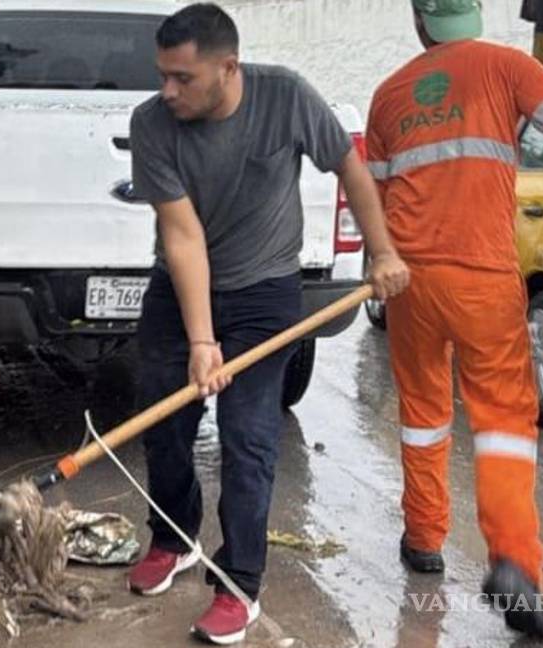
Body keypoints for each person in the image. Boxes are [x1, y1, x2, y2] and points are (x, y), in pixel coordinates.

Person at [127, 4, 410, 644]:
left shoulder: (285, 97)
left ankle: (239, 584)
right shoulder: (151, 123)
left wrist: (383, 251)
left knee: (249, 436)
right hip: (180, 290)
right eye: (162, 75)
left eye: (182, 77)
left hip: (265, 294)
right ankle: (171, 540)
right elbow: (182, 235)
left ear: (228, 68)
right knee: (165, 422)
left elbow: (351, 169)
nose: (167, 90)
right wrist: (201, 341)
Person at [366, 0, 543, 640]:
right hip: (481, 276)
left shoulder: (390, 93)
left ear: (420, 23)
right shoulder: (507, 66)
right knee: (505, 419)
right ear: (472, 18)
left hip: (410, 281)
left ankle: (424, 538)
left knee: (424, 411)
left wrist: (383, 257)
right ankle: (512, 561)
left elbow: (371, 192)